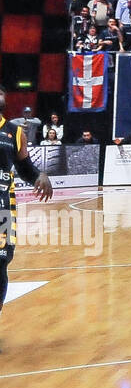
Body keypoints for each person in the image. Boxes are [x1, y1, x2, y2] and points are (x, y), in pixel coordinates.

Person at [0, 86, 54, 318]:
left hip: (3, 210)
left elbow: (25, 168)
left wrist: (38, 175)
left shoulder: (14, 132)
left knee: (1, 262)